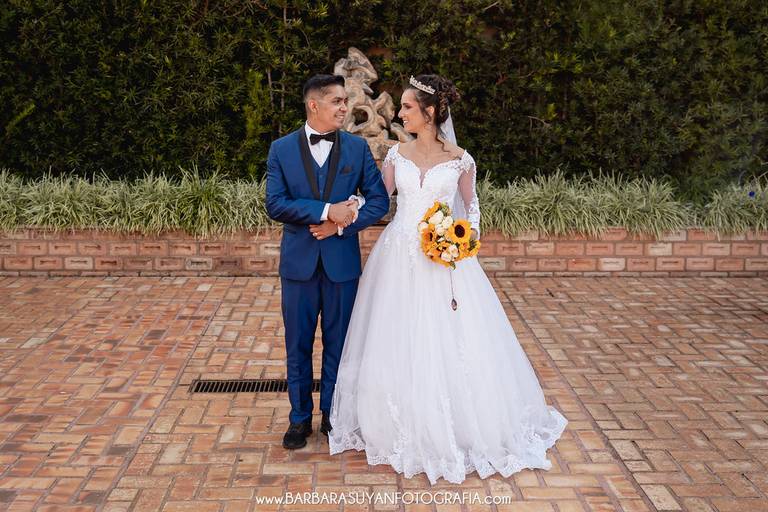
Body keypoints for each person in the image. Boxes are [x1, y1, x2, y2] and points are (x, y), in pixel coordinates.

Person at [328, 74, 567, 484]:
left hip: (443, 260)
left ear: (429, 112)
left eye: (407, 107)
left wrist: (461, 240)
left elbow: (471, 209)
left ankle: (457, 422)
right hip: (398, 255)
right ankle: (395, 421)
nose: (400, 114)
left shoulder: (461, 159)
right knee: (396, 333)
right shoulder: (396, 155)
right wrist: (349, 206)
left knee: (450, 337)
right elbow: (379, 198)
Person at [265, 74, 390, 450]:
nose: (344, 108)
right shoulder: (281, 149)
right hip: (298, 266)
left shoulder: (356, 148)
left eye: (344, 101)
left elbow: (379, 201)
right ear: (313, 105)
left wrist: (341, 224)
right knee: (297, 345)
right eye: (337, 101)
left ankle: (333, 416)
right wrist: (325, 210)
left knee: (340, 345)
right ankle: (299, 419)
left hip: (342, 265)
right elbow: (275, 203)